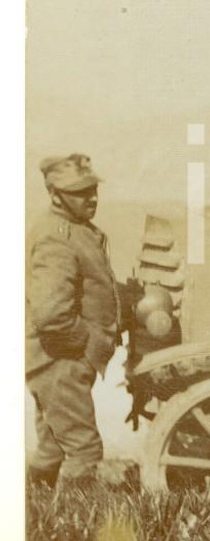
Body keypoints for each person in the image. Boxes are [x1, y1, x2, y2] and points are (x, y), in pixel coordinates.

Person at [26, 154, 119, 489]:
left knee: (53, 445)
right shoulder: (57, 237)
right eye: (80, 192)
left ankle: (36, 507)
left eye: (92, 188)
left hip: (58, 360)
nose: (91, 197)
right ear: (55, 195)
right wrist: (87, 342)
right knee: (83, 448)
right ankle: (79, 523)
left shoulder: (77, 230)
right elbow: (51, 314)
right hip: (59, 360)